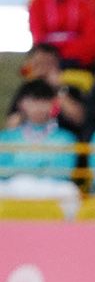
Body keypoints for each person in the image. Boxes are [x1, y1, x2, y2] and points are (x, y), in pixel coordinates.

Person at [0, 79, 81, 218]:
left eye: (44, 102)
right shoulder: (7, 136)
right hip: (15, 184)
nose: (38, 107)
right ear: (21, 104)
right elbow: (3, 169)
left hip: (50, 186)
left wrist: (23, 164)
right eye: (33, 101)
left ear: (53, 104)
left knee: (70, 191)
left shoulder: (66, 137)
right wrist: (40, 165)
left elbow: (63, 171)